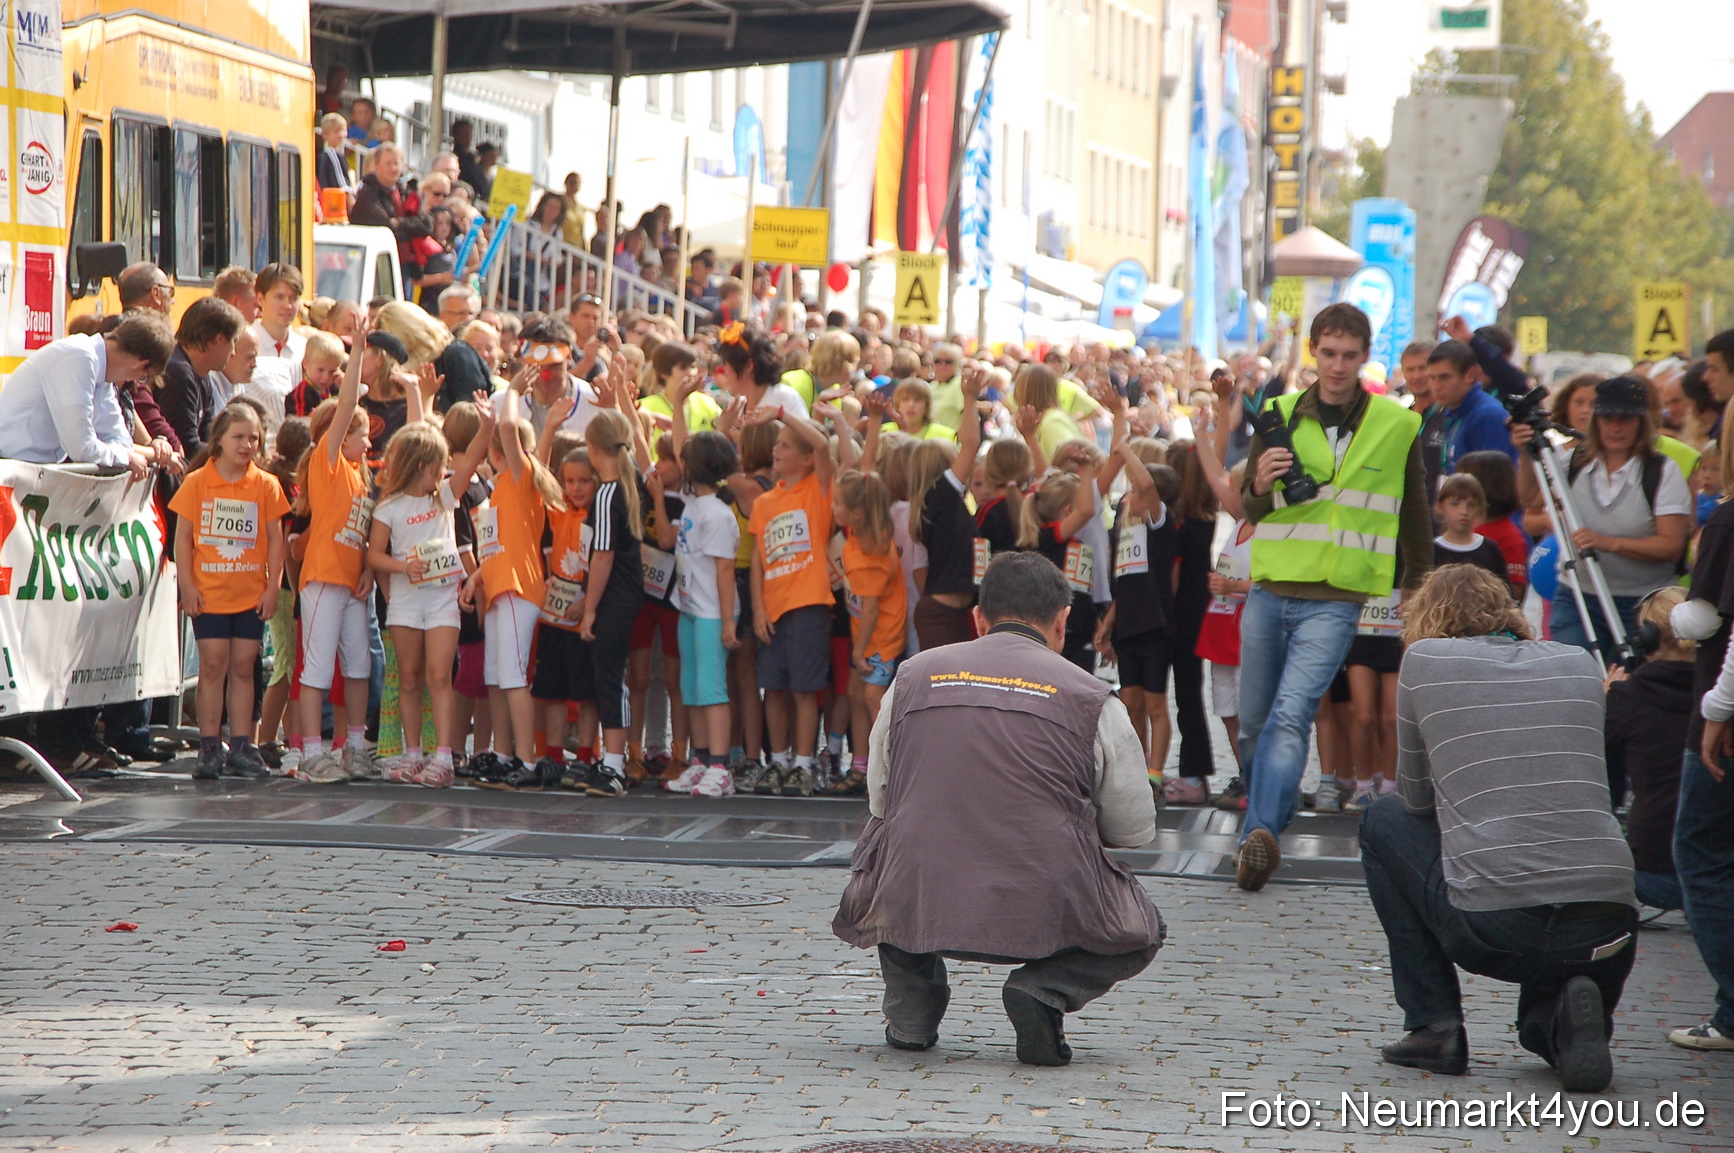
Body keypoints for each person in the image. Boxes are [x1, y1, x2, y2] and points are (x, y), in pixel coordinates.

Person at [832, 551, 1163, 1066]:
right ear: (1062, 621)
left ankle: (912, 1011)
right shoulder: (1094, 697)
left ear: (979, 619)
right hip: (1043, 899)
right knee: (1142, 929)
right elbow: (1134, 829)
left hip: (919, 888)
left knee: (889, 843)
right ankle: (1046, 988)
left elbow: (880, 797)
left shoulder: (913, 677)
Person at [1359, 564, 1638, 1092]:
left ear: (1426, 619)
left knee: (1382, 816)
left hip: (1498, 925)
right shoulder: (1577, 660)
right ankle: (1558, 1023)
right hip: (1610, 921)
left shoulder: (1425, 660)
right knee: (1552, 1000)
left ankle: (1434, 1025)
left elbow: (1416, 801)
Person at [1236, 302, 1432, 891]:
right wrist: (1260, 484)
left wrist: (1418, 585)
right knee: (1252, 723)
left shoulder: (1398, 426)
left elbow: (1414, 512)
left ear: (1365, 356)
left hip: (1338, 597)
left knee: (1291, 717)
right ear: (1314, 353)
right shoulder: (1277, 414)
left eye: (1349, 355)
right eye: (1328, 354)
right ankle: (1271, 809)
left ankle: (1257, 835)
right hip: (1271, 587)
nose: (1338, 366)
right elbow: (1249, 506)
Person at [1513, 376, 1691, 664]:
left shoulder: (1661, 471)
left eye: (1626, 419)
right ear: (1596, 421)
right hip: (1579, 595)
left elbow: (1671, 546)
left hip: (1642, 603)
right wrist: (1525, 453)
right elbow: (1531, 499)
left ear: (1642, 423)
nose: (1616, 427)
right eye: (1607, 418)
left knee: (1627, 684)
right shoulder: (1575, 461)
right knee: (1571, 672)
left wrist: (1608, 543)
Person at [367, 405, 493, 788]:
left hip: (441, 599)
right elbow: (374, 555)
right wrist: (404, 567)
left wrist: (488, 423)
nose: (445, 471)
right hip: (406, 600)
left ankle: (443, 755)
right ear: (422, 466)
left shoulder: (445, 496)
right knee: (408, 678)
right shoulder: (389, 506)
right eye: (439, 464)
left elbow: (471, 461)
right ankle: (412, 752)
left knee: (440, 675)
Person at [170, 403, 288, 780]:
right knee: (213, 666)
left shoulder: (266, 484)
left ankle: (241, 745)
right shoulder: (198, 482)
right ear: (218, 439)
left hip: (250, 594)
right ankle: (208, 746)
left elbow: (275, 541)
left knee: (243, 668)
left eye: (253, 437)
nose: (247, 444)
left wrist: (273, 588)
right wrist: (187, 587)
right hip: (211, 594)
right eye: (239, 437)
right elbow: (183, 540)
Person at [746, 403, 849, 796]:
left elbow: (823, 446)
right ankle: (778, 760)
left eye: (787, 446)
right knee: (773, 688)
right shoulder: (765, 502)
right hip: (772, 608)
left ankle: (804, 763)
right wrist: (757, 607)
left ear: (805, 460)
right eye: (777, 445)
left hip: (809, 604)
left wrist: (780, 415)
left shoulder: (818, 489)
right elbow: (758, 559)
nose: (777, 450)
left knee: (805, 690)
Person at [296, 331, 377, 784]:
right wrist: (359, 354)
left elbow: (361, 532)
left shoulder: (359, 478)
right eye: (360, 436)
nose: (366, 444)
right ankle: (311, 752)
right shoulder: (326, 464)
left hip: (351, 582)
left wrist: (366, 568)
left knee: (360, 666)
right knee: (319, 665)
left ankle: (355, 747)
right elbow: (345, 409)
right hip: (324, 577)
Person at [1604, 586, 1691, 910]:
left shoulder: (1630, 698)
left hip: (1654, 874)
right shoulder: (1723, 694)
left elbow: (1589, 759)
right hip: (1720, 870)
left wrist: (1607, 700)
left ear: (1647, 638)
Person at [665, 430, 741, 798]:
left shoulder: (719, 514)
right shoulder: (692, 503)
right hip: (689, 609)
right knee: (691, 689)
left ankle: (721, 766)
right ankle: (700, 760)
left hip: (712, 613)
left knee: (712, 689)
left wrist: (727, 621)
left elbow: (725, 570)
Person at [0, 315, 172, 475]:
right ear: (140, 364)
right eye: (143, 377)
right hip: (12, 467)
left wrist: (125, 454)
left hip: (29, 469)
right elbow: (82, 448)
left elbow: (119, 438)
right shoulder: (80, 357)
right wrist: (125, 457)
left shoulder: (101, 368)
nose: (135, 381)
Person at [158, 297, 246, 462]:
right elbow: (188, 445)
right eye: (233, 342)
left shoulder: (202, 374)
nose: (233, 352)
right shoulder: (178, 373)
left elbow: (210, 433)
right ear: (219, 339)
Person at [1427, 340, 1515, 471]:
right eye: (1432, 378)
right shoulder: (1453, 410)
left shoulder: (1487, 416)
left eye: (1444, 377)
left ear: (1470, 375)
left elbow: (1492, 483)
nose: (1436, 386)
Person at [1432, 474, 1509, 586]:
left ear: (1479, 508)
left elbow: (1505, 595)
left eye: (1471, 505)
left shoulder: (1490, 549)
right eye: (1455, 504)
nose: (1464, 511)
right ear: (1440, 506)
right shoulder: (1431, 551)